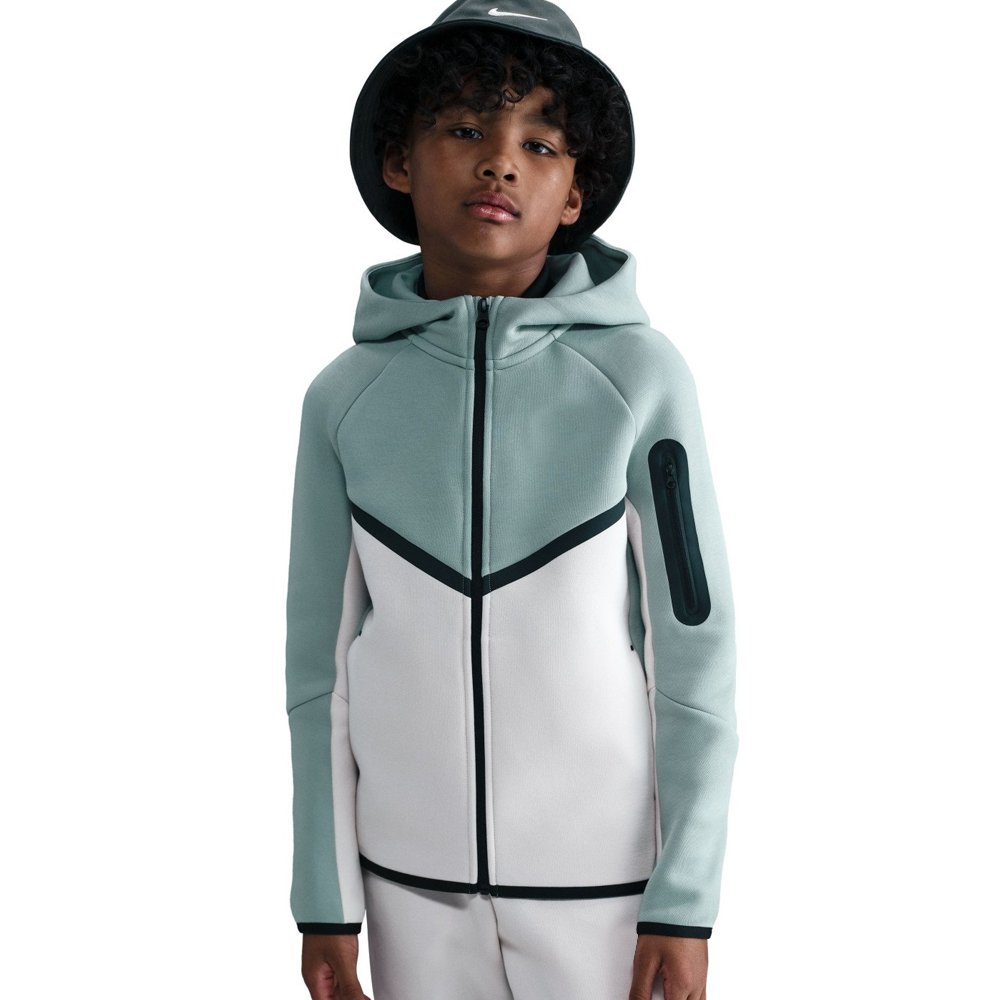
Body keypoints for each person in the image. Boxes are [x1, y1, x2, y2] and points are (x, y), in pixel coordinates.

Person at [284, 1, 739, 997]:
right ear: (399, 162)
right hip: (408, 891)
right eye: (463, 129)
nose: (499, 162)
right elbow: (318, 674)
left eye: (540, 143)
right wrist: (325, 900)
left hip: (603, 893)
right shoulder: (342, 399)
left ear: (575, 193)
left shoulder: (642, 378)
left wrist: (684, 898)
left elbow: (696, 652)